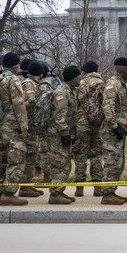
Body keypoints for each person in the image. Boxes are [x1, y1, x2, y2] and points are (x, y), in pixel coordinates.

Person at [0, 52, 29, 206]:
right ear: (16, 65)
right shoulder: (13, 79)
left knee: (0, 159)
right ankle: (9, 193)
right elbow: (19, 104)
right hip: (11, 123)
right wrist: (24, 126)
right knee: (16, 158)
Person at [100, 57, 127, 205]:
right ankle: (107, 194)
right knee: (112, 161)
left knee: (118, 161)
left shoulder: (121, 83)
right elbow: (107, 106)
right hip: (111, 130)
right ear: (120, 68)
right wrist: (114, 126)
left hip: (120, 128)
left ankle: (112, 191)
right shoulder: (113, 84)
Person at [46, 65, 81, 205]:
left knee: (65, 163)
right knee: (59, 163)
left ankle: (59, 191)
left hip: (65, 132)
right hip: (58, 135)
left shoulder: (70, 91)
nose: (80, 78)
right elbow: (59, 115)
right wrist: (64, 132)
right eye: (78, 75)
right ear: (72, 77)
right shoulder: (62, 92)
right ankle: (55, 194)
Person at [75, 60, 105, 197]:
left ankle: (79, 188)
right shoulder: (102, 83)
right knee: (96, 155)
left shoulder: (80, 84)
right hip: (98, 123)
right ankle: (97, 187)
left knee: (81, 155)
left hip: (82, 123)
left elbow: (77, 102)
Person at [17, 60, 45, 199]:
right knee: (30, 157)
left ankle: (27, 185)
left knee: (31, 157)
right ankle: (24, 187)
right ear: (39, 74)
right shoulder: (29, 84)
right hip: (29, 126)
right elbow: (27, 103)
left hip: (31, 126)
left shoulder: (30, 83)